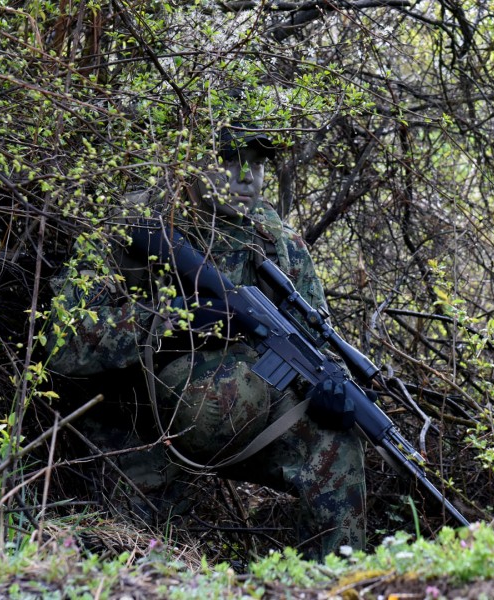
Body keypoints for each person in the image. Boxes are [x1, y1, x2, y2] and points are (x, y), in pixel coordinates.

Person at [46, 122, 366, 559]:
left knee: (337, 442)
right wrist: (172, 321)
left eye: (256, 164)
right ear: (187, 161)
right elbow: (62, 342)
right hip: (138, 427)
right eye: (229, 160)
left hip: (249, 416)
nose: (246, 176)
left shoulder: (277, 241)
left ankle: (332, 579)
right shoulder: (136, 224)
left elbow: (314, 336)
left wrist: (335, 381)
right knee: (133, 558)